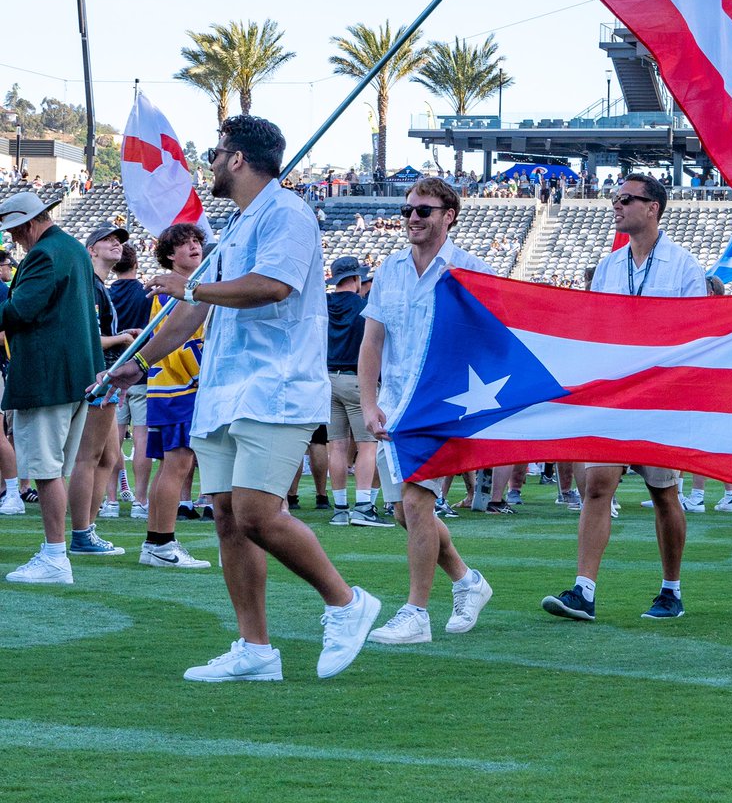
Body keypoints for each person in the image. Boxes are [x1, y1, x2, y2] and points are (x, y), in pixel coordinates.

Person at [106, 116, 379, 680]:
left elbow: (272, 287)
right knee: (228, 517)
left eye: (215, 152)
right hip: (226, 390)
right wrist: (137, 363)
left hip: (275, 388)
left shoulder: (287, 213)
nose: (208, 162)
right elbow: (192, 313)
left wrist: (194, 287)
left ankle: (347, 603)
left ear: (237, 159)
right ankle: (256, 648)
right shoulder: (233, 226)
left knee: (257, 512)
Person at [542, 173, 706, 623]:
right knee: (597, 485)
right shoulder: (610, 267)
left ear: (652, 207)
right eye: (616, 199)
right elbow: (594, 330)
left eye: (626, 199)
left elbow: (696, 332)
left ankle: (671, 590)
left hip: (659, 396)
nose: (616, 206)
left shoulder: (684, 265)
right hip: (615, 393)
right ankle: (583, 589)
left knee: (663, 492)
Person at [358, 177, 493, 646]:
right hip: (394, 408)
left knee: (416, 502)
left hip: (444, 407)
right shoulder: (390, 270)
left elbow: (493, 341)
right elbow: (373, 340)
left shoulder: (472, 271)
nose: (413, 217)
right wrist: (369, 402)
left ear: (448, 215)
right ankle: (467, 581)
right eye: (407, 210)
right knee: (402, 511)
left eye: (424, 210)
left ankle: (416, 612)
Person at [0, 192, 105, 583]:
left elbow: (20, 310)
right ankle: (55, 552)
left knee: (46, 471)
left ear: (28, 224)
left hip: (46, 378)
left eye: (14, 231)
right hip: (74, 377)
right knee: (53, 468)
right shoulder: (73, 249)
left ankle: (55, 555)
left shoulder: (44, 254)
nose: (14, 240)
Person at [139, 222, 211, 569]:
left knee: (168, 467)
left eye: (196, 241)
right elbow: (180, 343)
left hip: (166, 388)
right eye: (184, 244)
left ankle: (155, 541)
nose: (194, 247)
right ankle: (162, 543)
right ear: (169, 254)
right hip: (179, 387)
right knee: (178, 465)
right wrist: (203, 375)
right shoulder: (174, 291)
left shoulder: (186, 287)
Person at [67, 224, 139, 557]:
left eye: (119, 241)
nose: (116, 244)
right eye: (108, 240)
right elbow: (87, 338)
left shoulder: (97, 285)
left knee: (109, 457)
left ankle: (87, 530)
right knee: (89, 457)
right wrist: (123, 339)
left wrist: (121, 335)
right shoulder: (89, 286)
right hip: (98, 378)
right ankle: (82, 533)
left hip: (105, 378)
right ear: (91, 249)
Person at [324, 255, 385, 528]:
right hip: (357, 380)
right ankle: (363, 506)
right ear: (357, 279)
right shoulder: (364, 307)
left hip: (327, 379)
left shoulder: (322, 305)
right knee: (367, 446)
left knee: (335, 446)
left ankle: (339, 508)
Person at [108, 241, 152, 516]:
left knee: (111, 440)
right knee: (142, 438)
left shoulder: (106, 293)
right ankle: (140, 501)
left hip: (112, 372)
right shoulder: (148, 293)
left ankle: (110, 501)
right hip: (143, 371)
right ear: (136, 264)